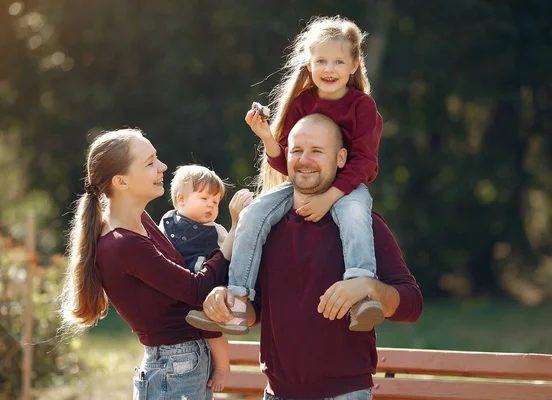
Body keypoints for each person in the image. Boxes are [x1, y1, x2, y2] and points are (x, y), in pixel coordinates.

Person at [199, 114, 423, 399]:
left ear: (341, 158)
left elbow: (412, 305)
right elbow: (255, 311)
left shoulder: (363, 226)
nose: (304, 160)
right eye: (296, 150)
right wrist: (224, 301)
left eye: (317, 151)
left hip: (344, 394)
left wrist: (368, 287)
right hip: (277, 393)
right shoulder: (263, 229)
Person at [194, 16, 385, 333]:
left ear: (353, 65)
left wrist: (329, 198)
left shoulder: (361, 107)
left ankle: (360, 293)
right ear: (309, 64)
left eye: (338, 61)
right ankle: (239, 301)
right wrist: (267, 137)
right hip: (301, 187)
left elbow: (365, 163)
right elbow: (288, 163)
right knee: (254, 213)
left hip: (346, 187)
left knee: (354, 215)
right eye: (321, 60)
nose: (328, 68)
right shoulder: (303, 103)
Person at [58, 128, 251, 399]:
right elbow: (197, 290)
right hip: (175, 367)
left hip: (183, 364)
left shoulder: (142, 222)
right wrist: (235, 228)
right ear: (121, 182)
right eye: (150, 163)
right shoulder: (124, 243)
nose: (163, 167)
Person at [159, 164, 254, 391]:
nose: (211, 205)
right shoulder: (166, 222)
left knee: (212, 332)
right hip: (178, 288)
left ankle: (222, 367)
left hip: (207, 291)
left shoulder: (217, 230)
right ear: (181, 200)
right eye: (204, 198)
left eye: (216, 201)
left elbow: (230, 254)